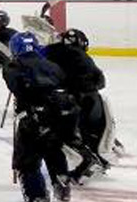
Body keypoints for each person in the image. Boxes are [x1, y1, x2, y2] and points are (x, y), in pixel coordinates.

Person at [2, 32, 81, 202]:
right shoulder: (53, 66)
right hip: (60, 118)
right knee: (53, 149)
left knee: (26, 162)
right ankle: (61, 183)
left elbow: (16, 86)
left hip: (33, 121)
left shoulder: (15, 66)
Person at [43, 29, 113, 181]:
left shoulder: (56, 51)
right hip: (93, 98)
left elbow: (43, 63)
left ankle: (86, 162)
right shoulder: (83, 56)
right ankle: (97, 158)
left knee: (63, 133)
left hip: (76, 99)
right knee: (86, 131)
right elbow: (101, 80)